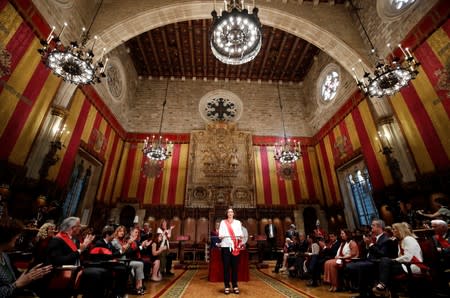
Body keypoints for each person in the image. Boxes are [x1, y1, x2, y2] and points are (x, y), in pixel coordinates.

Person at [46, 216, 109, 298]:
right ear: (72, 228)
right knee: (96, 274)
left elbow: (80, 257)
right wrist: (79, 251)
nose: (80, 228)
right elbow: (58, 260)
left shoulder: (74, 240)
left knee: (104, 271)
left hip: (76, 268)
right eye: (79, 226)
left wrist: (86, 247)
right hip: (63, 270)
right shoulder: (57, 240)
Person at [0, 218, 52, 297]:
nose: (17, 238)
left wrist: (30, 274)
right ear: (7, 236)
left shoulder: (4, 255)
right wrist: (16, 285)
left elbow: (14, 278)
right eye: (16, 235)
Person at [345, 219, 394, 298]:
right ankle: (363, 291)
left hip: (377, 263)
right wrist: (368, 245)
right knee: (350, 266)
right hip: (369, 260)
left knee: (357, 267)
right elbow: (368, 252)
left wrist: (370, 244)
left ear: (379, 227)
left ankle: (363, 293)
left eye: (373, 225)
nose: (371, 227)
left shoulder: (385, 239)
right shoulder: (374, 237)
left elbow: (382, 254)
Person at [372, 222, 423, 297]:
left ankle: (385, 288)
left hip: (414, 265)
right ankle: (386, 289)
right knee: (384, 262)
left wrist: (394, 260)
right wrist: (394, 260)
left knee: (386, 264)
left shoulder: (408, 239)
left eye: (394, 229)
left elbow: (408, 257)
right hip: (406, 264)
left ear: (400, 230)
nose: (392, 231)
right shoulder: (401, 241)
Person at [111, 225, 147, 295]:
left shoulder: (123, 240)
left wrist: (142, 246)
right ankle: (138, 287)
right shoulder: (115, 241)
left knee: (141, 264)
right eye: (120, 231)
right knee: (140, 263)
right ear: (117, 232)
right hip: (120, 261)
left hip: (126, 260)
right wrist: (129, 244)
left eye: (123, 231)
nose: (122, 233)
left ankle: (139, 286)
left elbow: (130, 250)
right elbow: (124, 252)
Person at [219, 208, 243, 295]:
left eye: (231, 212)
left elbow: (240, 234)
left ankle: (235, 285)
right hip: (225, 246)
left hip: (235, 247)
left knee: (235, 267)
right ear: (226, 213)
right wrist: (222, 236)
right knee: (226, 268)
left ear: (234, 213)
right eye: (229, 212)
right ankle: (227, 286)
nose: (230, 213)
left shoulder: (237, 222)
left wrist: (240, 236)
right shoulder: (223, 222)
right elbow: (220, 235)